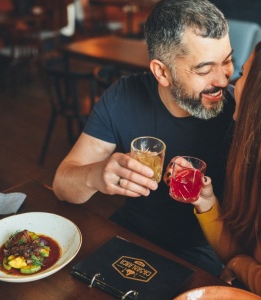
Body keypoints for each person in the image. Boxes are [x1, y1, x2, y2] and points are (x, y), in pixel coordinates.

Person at [52, 0, 235, 276]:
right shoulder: (123, 96)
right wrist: (97, 174)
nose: (223, 80)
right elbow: (62, 185)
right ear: (162, 72)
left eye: (228, 61)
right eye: (204, 70)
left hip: (203, 249)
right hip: (129, 232)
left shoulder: (237, 110)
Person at [173, 34, 261, 298]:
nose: (232, 84)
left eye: (241, 75)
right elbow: (239, 254)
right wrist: (206, 202)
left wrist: (239, 266)